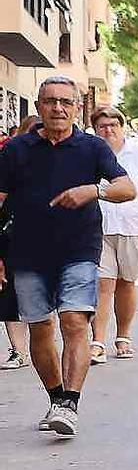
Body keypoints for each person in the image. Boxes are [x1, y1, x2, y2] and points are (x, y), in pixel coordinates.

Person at [0, 76, 136, 436]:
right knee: (40, 327)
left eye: (65, 102)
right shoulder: (16, 150)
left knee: (75, 322)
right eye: (49, 101)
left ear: (77, 108)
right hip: (26, 253)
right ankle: (57, 398)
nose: (57, 108)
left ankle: (70, 404)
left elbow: (127, 188)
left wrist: (93, 190)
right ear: (39, 107)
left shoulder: (92, 148)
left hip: (79, 249)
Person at [89, 108, 138, 363]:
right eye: (102, 126)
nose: (108, 130)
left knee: (126, 283)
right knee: (103, 284)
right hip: (97, 226)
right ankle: (97, 341)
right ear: (95, 128)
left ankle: (123, 336)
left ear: (122, 126)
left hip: (132, 226)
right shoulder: (88, 151)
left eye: (113, 125)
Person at [0, 114, 38, 372]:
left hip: (45, 234)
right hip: (10, 230)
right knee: (10, 290)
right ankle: (19, 350)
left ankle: (38, 348)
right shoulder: (10, 159)